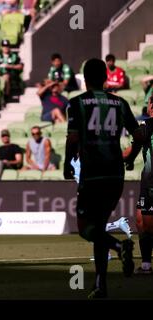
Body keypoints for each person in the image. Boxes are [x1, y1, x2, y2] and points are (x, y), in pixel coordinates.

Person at [63, 58, 143, 298]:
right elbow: (138, 136)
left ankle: (119, 246)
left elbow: (73, 139)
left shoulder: (76, 103)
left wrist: (67, 163)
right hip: (115, 173)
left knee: (87, 229)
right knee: (99, 226)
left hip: (93, 172)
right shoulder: (120, 103)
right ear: (106, 77)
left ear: (85, 79)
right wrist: (130, 159)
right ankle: (100, 285)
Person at [132, 96, 153, 274]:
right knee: (140, 221)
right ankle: (146, 264)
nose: (148, 108)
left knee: (148, 224)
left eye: (150, 105)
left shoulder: (147, 126)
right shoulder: (146, 126)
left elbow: (135, 145)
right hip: (147, 180)